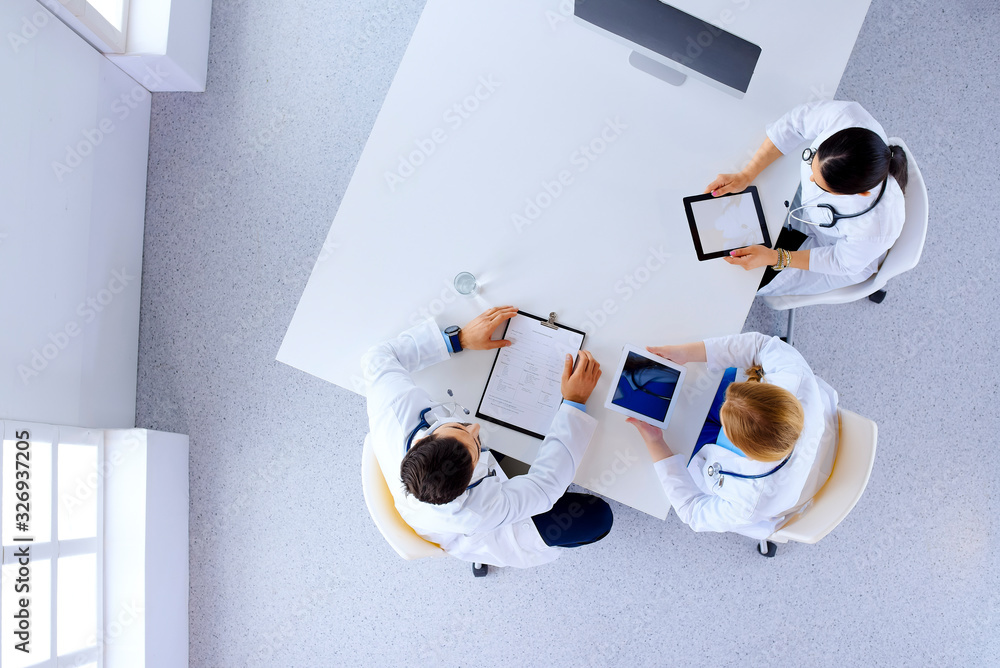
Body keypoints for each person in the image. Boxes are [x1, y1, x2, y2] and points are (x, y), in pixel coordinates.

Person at [362, 306, 613, 571]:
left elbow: (377, 358)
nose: (476, 429)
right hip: (477, 535)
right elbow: (544, 488)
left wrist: (458, 340)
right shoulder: (476, 510)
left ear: (421, 441)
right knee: (597, 518)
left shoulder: (394, 412)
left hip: (429, 499)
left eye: (459, 429)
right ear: (470, 481)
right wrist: (574, 403)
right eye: (474, 448)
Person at [626, 332, 838, 539]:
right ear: (771, 391)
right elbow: (760, 346)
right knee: (698, 388)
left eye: (726, 426)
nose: (722, 408)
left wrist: (655, 442)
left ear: (744, 451)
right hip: (784, 439)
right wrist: (687, 353)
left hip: (783, 481)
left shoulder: (751, 500)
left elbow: (693, 511)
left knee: (677, 432)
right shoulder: (795, 380)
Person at [705, 100, 909, 297]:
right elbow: (794, 125)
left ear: (860, 194)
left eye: (822, 185)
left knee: (747, 283)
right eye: (812, 160)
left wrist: (777, 257)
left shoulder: (878, 227)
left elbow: (840, 261)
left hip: (833, 251)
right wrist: (746, 174)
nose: (811, 179)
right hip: (807, 208)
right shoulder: (846, 116)